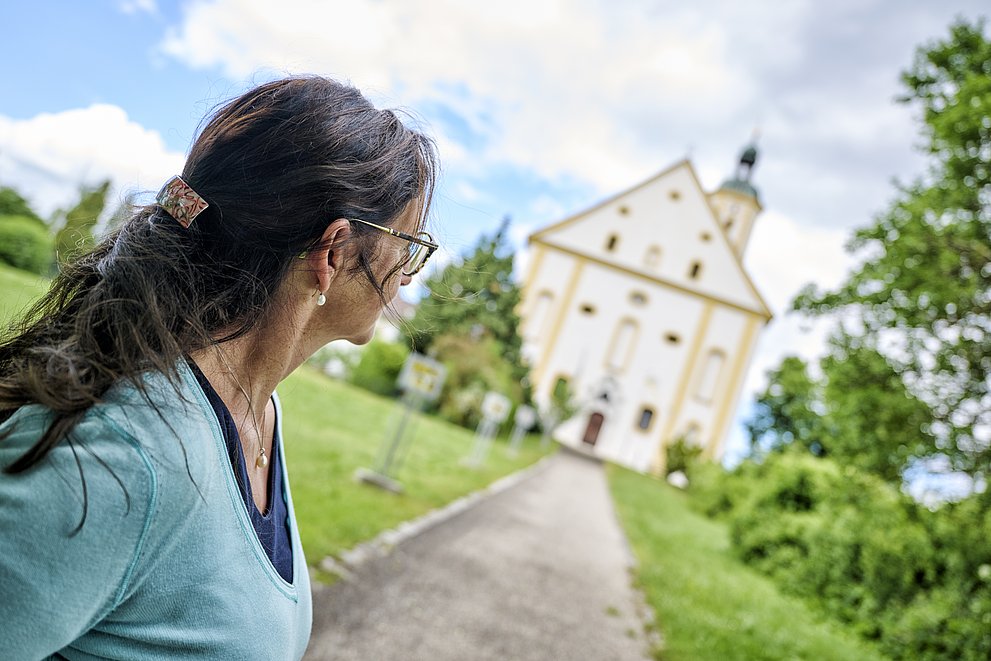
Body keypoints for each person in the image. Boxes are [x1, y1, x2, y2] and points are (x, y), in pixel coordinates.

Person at [0, 76, 439, 660]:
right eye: (406, 245)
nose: (409, 271)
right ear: (332, 253)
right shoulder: (126, 458)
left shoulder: (258, 412)